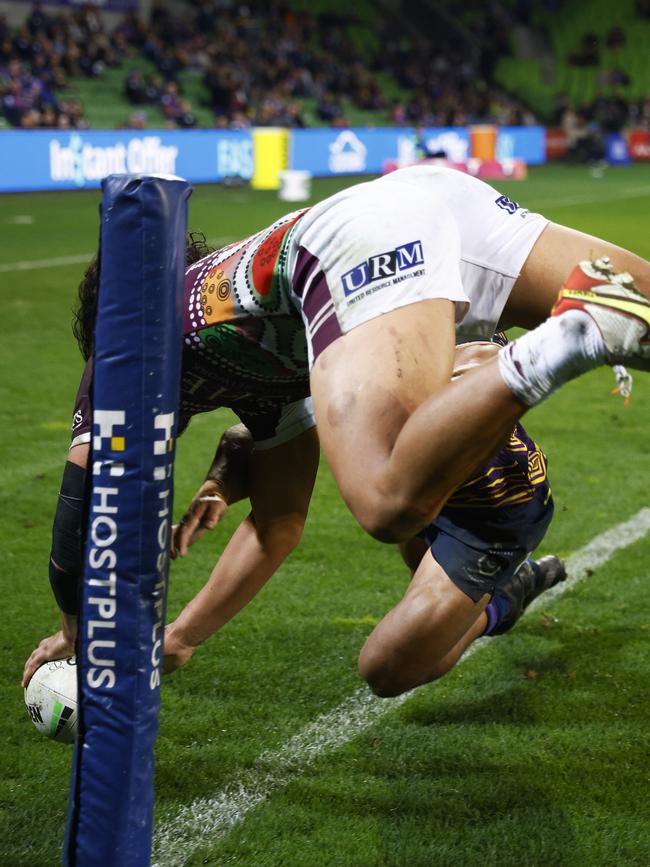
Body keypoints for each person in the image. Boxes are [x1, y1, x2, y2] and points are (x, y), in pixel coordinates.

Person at [23, 164, 650, 688]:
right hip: (429, 200)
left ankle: (551, 347)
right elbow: (278, 524)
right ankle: (576, 323)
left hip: (361, 237)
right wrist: (183, 636)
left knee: (385, 502)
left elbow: (82, 511)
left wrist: (74, 628)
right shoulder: (254, 376)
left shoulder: (126, 345)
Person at [161, 339, 567, 698]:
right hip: (402, 498)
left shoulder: (398, 310)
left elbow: (490, 350)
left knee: (388, 670)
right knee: (419, 613)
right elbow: (252, 437)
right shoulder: (275, 345)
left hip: (488, 514)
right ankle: (481, 602)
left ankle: (504, 599)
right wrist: (219, 485)